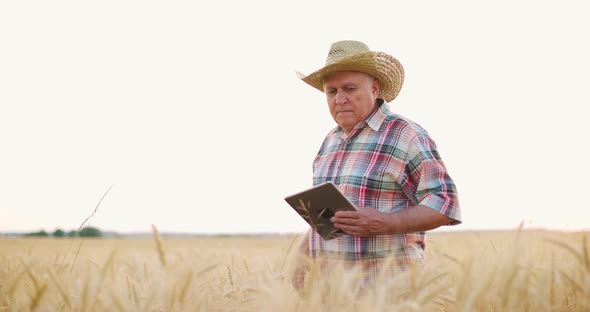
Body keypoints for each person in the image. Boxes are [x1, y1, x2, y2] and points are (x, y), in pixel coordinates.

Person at [292, 40, 462, 289]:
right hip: (333, 295)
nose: (340, 99)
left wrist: (386, 222)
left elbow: (445, 203)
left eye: (350, 88)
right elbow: (329, 219)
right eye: (332, 91)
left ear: (374, 88)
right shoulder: (329, 142)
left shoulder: (405, 134)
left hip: (390, 293)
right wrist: (301, 255)